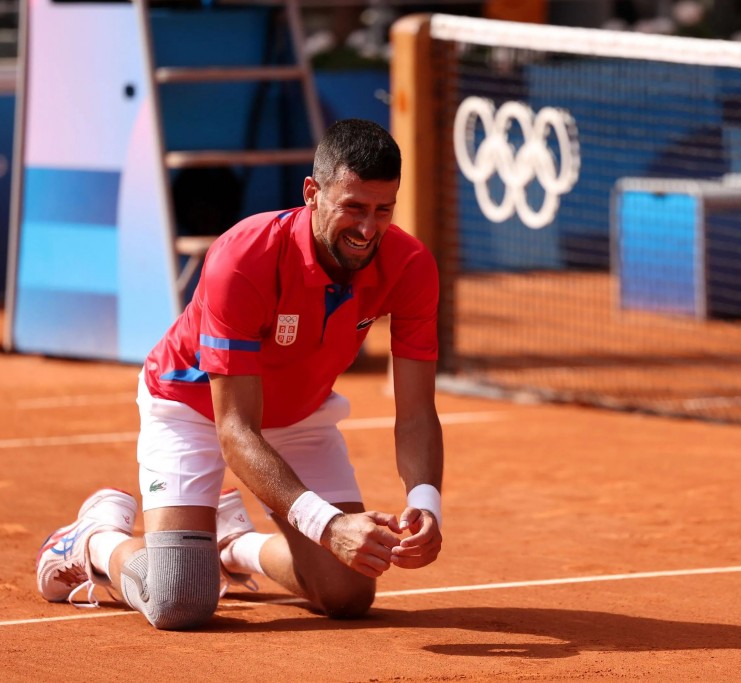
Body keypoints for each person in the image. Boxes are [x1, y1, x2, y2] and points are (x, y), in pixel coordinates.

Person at [34, 119, 444, 629]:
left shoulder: (411, 266)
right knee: (179, 600)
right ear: (312, 193)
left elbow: (417, 409)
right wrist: (329, 524)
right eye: (353, 208)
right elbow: (235, 431)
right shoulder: (244, 257)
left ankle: (234, 545)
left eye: (383, 211)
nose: (367, 230)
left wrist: (425, 501)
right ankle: (94, 539)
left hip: (299, 415)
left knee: (348, 593)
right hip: (192, 406)